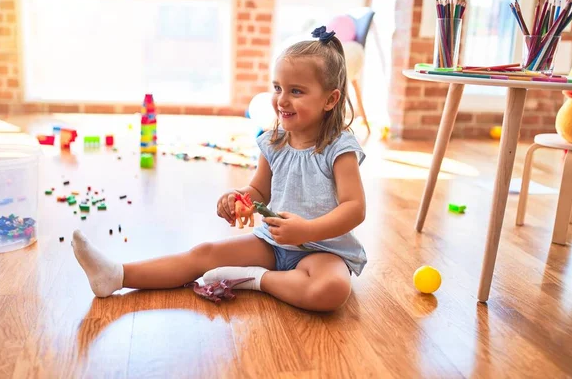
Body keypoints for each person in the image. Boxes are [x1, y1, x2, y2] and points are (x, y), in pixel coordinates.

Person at [71, 26, 367, 312]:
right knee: (204, 253)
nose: (282, 99)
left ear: (330, 99)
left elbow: (354, 208)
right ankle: (116, 275)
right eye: (277, 88)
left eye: (297, 91)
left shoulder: (339, 147)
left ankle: (254, 279)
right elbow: (258, 190)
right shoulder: (274, 142)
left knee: (332, 290)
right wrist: (239, 198)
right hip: (272, 245)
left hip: (322, 251)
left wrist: (306, 229)